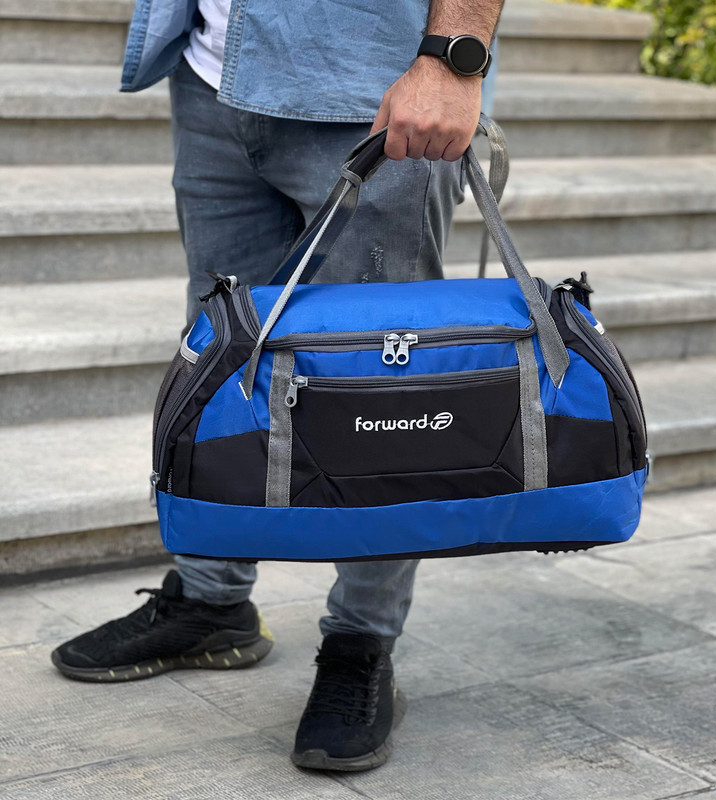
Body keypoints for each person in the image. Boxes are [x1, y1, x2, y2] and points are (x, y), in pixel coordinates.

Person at [51, 0, 504, 772]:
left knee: (383, 392)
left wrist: (452, 57)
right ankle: (211, 601)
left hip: (374, 89)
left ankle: (361, 641)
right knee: (222, 360)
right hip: (213, 78)